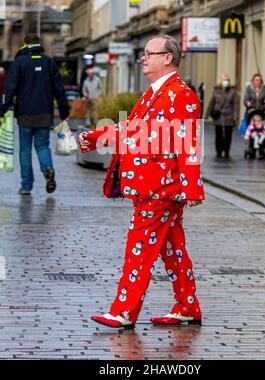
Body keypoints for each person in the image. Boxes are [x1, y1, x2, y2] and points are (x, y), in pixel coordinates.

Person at [79, 35, 205, 329]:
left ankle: (123, 311)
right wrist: (95, 137)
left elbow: (188, 143)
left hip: (160, 188)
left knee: (139, 248)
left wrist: (191, 187)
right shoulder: (153, 93)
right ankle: (187, 306)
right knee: (173, 251)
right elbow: (130, 129)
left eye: (150, 53)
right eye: (144, 54)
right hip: (152, 187)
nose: (143, 58)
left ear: (168, 58)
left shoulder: (181, 95)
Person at [0, 34, 69, 195]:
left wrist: (3, 109)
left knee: (25, 151)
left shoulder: (19, 63)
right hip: (45, 114)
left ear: (25, 44)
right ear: (38, 44)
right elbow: (59, 89)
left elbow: (9, 90)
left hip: (25, 114)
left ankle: (26, 186)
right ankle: (48, 169)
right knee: (42, 146)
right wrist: (64, 111)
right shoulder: (49, 62)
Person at [205, 74, 239, 159]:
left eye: (227, 80)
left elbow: (236, 105)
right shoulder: (216, 91)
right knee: (218, 135)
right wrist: (207, 114)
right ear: (221, 81)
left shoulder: (233, 92)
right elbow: (211, 103)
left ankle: (226, 151)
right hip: (218, 116)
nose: (225, 82)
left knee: (228, 135)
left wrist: (235, 116)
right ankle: (219, 151)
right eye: (224, 80)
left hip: (229, 116)